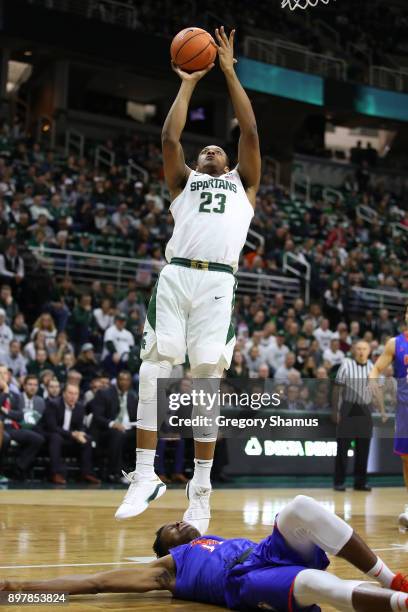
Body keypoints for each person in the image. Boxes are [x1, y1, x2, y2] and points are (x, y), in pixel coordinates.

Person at [116, 26, 260, 528]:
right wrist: (189, 81)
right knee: (154, 369)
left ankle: (200, 487)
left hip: (219, 284)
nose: (212, 151)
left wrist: (229, 71)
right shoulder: (184, 182)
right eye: (207, 151)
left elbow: (250, 131)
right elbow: (169, 137)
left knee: (205, 384)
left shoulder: (245, 185)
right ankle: (144, 474)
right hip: (177, 277)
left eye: (219, 149)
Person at [5, 495, 408, 611]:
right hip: (247, 582)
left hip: (265, 552)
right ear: (167, 548)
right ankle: (401, 601)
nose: (179, 523)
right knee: (320, 585)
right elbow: (93, 584)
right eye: (171, 530)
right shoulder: (169, 569)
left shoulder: (211, 538)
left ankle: (391, 579)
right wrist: (21, 589)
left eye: (177, 521)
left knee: (300, 507)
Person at [369, 304, 408, 530]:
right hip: (405, 408)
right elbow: (376, 369)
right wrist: (373, 380)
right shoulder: (395, 343)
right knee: (405, 459)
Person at [333, 341, 375, 492]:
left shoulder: (373, 367)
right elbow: (337, 389)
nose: (361, 351)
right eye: (358, 348)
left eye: (364, 348)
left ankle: (360, 482)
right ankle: (339, 481)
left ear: (369, 351)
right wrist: (335, 411)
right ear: (353, 350)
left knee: (364, 448)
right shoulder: (346, 365)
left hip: (365, 409)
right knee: (343, 448)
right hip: (348, 407)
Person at [42, 383, 100, 485]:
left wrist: (80, 433)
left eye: (76, 394)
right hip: (51, 436)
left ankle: (87, 473)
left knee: (87, 439)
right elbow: (52, 427)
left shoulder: (80, 407)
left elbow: (81, 426)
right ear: (64, 394)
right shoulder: (53, 404)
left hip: (69, 438)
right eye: (70, 393)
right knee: (56, 438)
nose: (73, 396)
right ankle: (55, 473)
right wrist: (73, 434)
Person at [89, 370, 138, 482]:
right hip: (106, 431)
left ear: (130, 382)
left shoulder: (132, 396)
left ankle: (143, 472)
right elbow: (97, 416)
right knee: (117, 434)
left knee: (147, 435)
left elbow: (136, 417)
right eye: (122, 379)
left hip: (128, 429)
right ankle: (117, 472)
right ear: (117, 381)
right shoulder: (104, 393)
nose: (124, 382)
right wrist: (112, 424)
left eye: (127, 380)